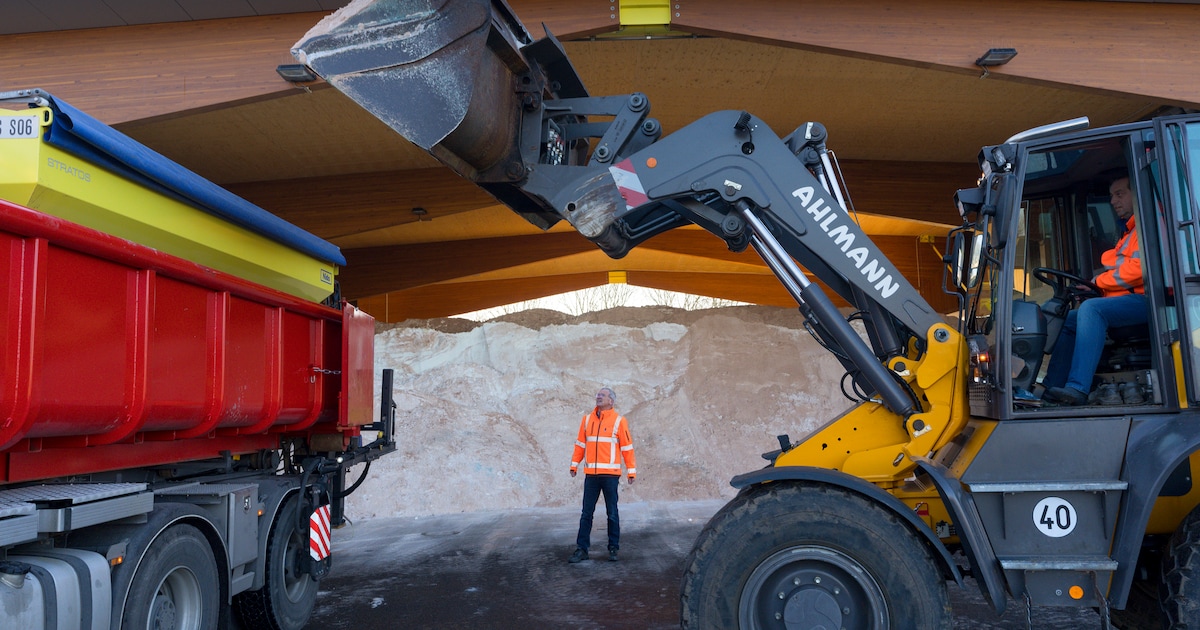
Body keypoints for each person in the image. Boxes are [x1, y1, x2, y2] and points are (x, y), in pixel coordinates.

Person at [1042, 176, 1146, 405]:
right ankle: (1050, 389)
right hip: (1127, 300)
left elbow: (1140, 270)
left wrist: (1098, 283)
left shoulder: (1147, 227)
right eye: (1111, 195)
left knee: (1091, 310)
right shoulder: (1129, 233)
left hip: (1149, 301)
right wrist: (1093, 285)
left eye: (1120, 194)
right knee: (1068, 319)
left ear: (1137, 195)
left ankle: (1078, 387)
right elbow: (1120, 273)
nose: (1113, 201)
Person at [568, 387, 636, 563]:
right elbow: (580, 445)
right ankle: (582, 549)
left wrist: (631, 470)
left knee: (612, 513)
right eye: (597, 394)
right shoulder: (587, 420)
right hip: (591, 475)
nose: (598, 396)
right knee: (586, 513)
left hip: (610, 476)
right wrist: (574, 464)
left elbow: (627, 448)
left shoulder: (619, 421)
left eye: (602, 395)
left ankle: (613, 548)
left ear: (611, 401)